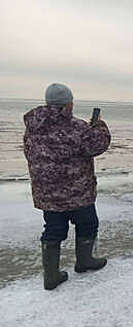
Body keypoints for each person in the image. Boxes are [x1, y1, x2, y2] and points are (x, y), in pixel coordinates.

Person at [23, 83, 111, 290]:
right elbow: (99, 145)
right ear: (67, 104)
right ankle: (84, 261)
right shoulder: (76, 127)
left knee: (53, 230)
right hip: (77, 192)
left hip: (47, 193)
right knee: (88, 224)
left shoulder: (32, 128)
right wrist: (100, 126)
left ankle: (51, 276)